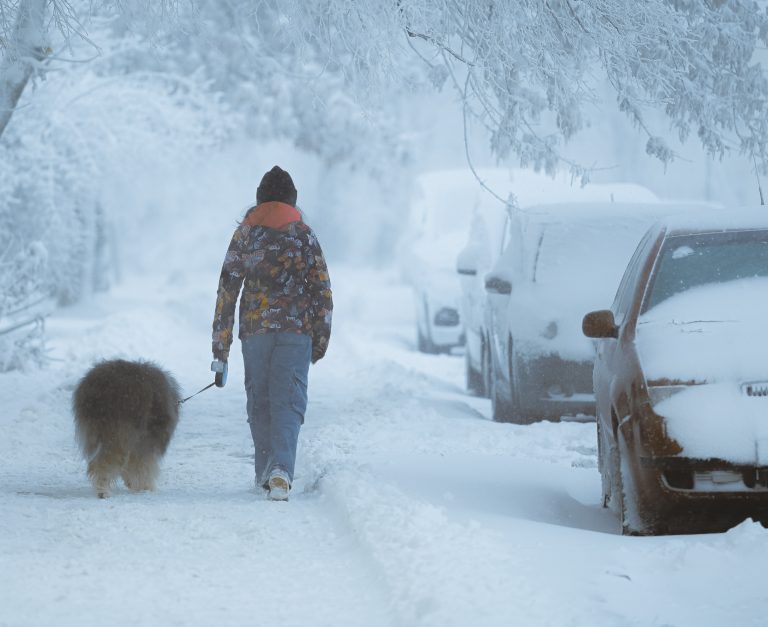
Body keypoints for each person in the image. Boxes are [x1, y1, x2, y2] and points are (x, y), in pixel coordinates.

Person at [211, 166, 332, 501]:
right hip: (296, 332)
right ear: (293, 200)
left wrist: (220, 352)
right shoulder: (304, 235)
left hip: (256, 331)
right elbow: (322, 291)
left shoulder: (246, 235)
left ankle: (265, 470)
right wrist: (319, 340)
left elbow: (227, 292)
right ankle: (280, 471)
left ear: (259, 199)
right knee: (288, 400)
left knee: (260, 400)